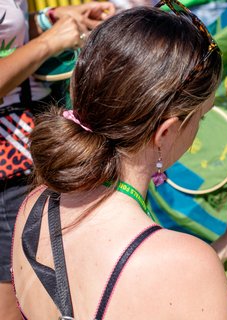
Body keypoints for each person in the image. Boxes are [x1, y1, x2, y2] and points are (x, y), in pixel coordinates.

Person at [11, 3, 227, 320]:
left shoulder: (36, 204)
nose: (198, 130)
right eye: (201, 118)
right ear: (165, 132)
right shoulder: (181, 262)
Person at [0, 1, 115, 319]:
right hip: (7, 169)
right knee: (18, 303)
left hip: (28, 153)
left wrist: (47, 21)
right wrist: (49, 42)